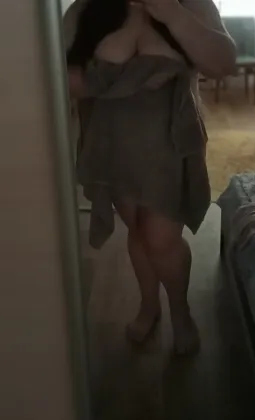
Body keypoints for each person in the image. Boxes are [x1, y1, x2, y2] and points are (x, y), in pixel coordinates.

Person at [63, 0, 236, 356]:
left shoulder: (191, 4)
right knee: (139, 230)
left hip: (170, 144)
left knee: (161, 237)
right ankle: (149, 305)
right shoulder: (86, 8)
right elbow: (61, 79)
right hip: (114, 144)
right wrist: (122, 77)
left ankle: (180, 313)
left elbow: (222, 64)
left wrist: (171, 13)